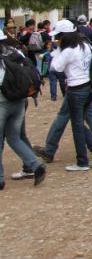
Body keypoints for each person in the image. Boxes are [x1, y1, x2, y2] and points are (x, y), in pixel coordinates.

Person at [44, 20, 92, 171]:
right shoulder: (85, 45)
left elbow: (55, 67)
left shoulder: (68, 50)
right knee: (90, 118)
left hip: (75, 89)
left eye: (58, 37)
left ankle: (82, 161)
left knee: (76, 125)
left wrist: (56, 52)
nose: (57, 40)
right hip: (87, 86)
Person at [0, 29, 47, 189]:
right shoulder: (15, 52)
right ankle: (35, 164)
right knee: (14, 138)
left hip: (2, 103)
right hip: (20, 101)